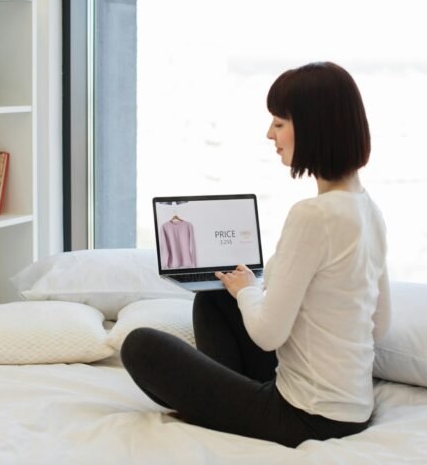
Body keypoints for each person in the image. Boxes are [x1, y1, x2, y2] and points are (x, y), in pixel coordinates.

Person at [121, 61, 390, 447]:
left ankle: (228, 405)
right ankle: (234, 396)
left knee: (141, 346)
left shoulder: (313, 216)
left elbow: (267, 335)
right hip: (352, 410)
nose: (270, 134)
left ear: (314, 128)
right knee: (214, 302)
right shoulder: (368, 209)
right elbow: (379, 326)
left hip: (307, 417)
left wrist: (250, 290)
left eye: (279, 123)